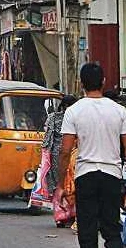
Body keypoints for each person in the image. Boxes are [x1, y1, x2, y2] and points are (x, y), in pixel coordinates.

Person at [59, 63, 126, 248]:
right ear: (103, 82)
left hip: (85, 175)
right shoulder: (119, 111)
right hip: (111, 175)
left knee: (87, 229)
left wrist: (60, 185)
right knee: (111, 228)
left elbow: (65, 151)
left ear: (81, 84)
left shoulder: (73, 111)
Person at [42, 94, 78, 226]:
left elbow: (47, 140)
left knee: (59, 185)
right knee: (72, 185)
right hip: (74, 155)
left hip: (58, 156)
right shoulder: (77, 117)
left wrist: (46, 158)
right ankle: (71, 215)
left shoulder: (53, 118)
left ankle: (60, 216)